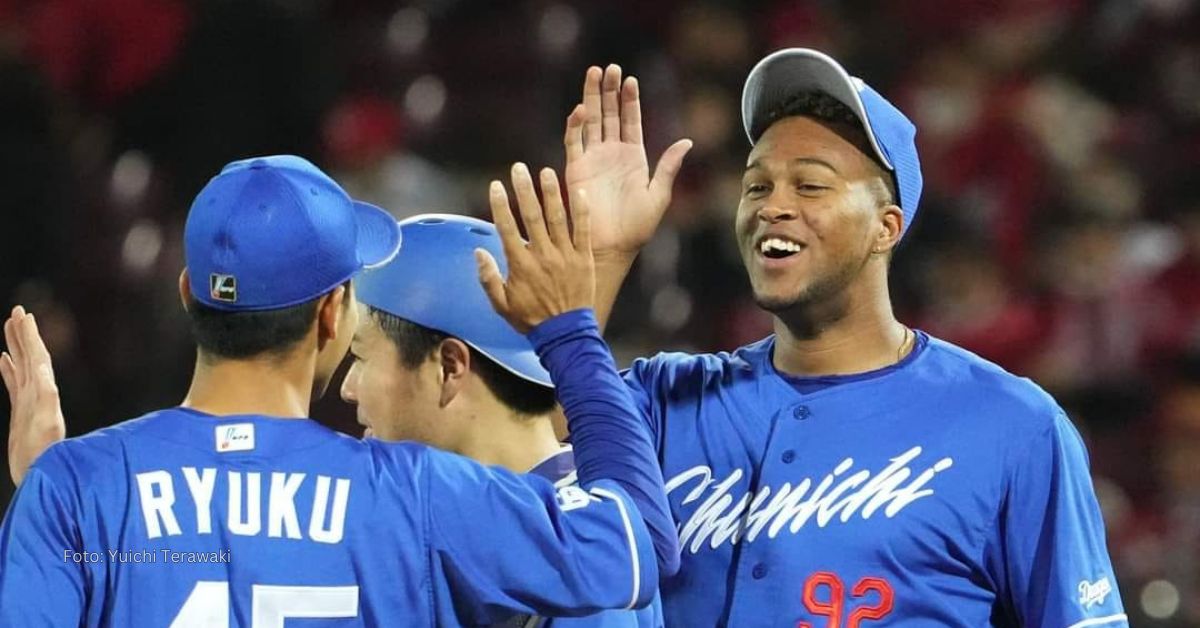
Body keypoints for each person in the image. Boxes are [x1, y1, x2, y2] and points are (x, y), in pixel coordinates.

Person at [558, 51, 1128, 626]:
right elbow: (521, 437)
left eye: (810, 185)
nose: (774, 207)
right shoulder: (665, 399)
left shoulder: (1012, 424)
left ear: (887, 227)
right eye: (756, 187)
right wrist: (604, 257)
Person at [0, 154, 678, 626]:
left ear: (187, 295)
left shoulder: (75, 490)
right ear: (333, 313)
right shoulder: (416, 493)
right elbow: (640, 542)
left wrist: (49, 495)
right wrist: (569, 333)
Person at [342, 204, 664, 628]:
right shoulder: (572, 530)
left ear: (449, 367)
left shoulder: (582, 564)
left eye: (362, 356)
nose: (348, 388)